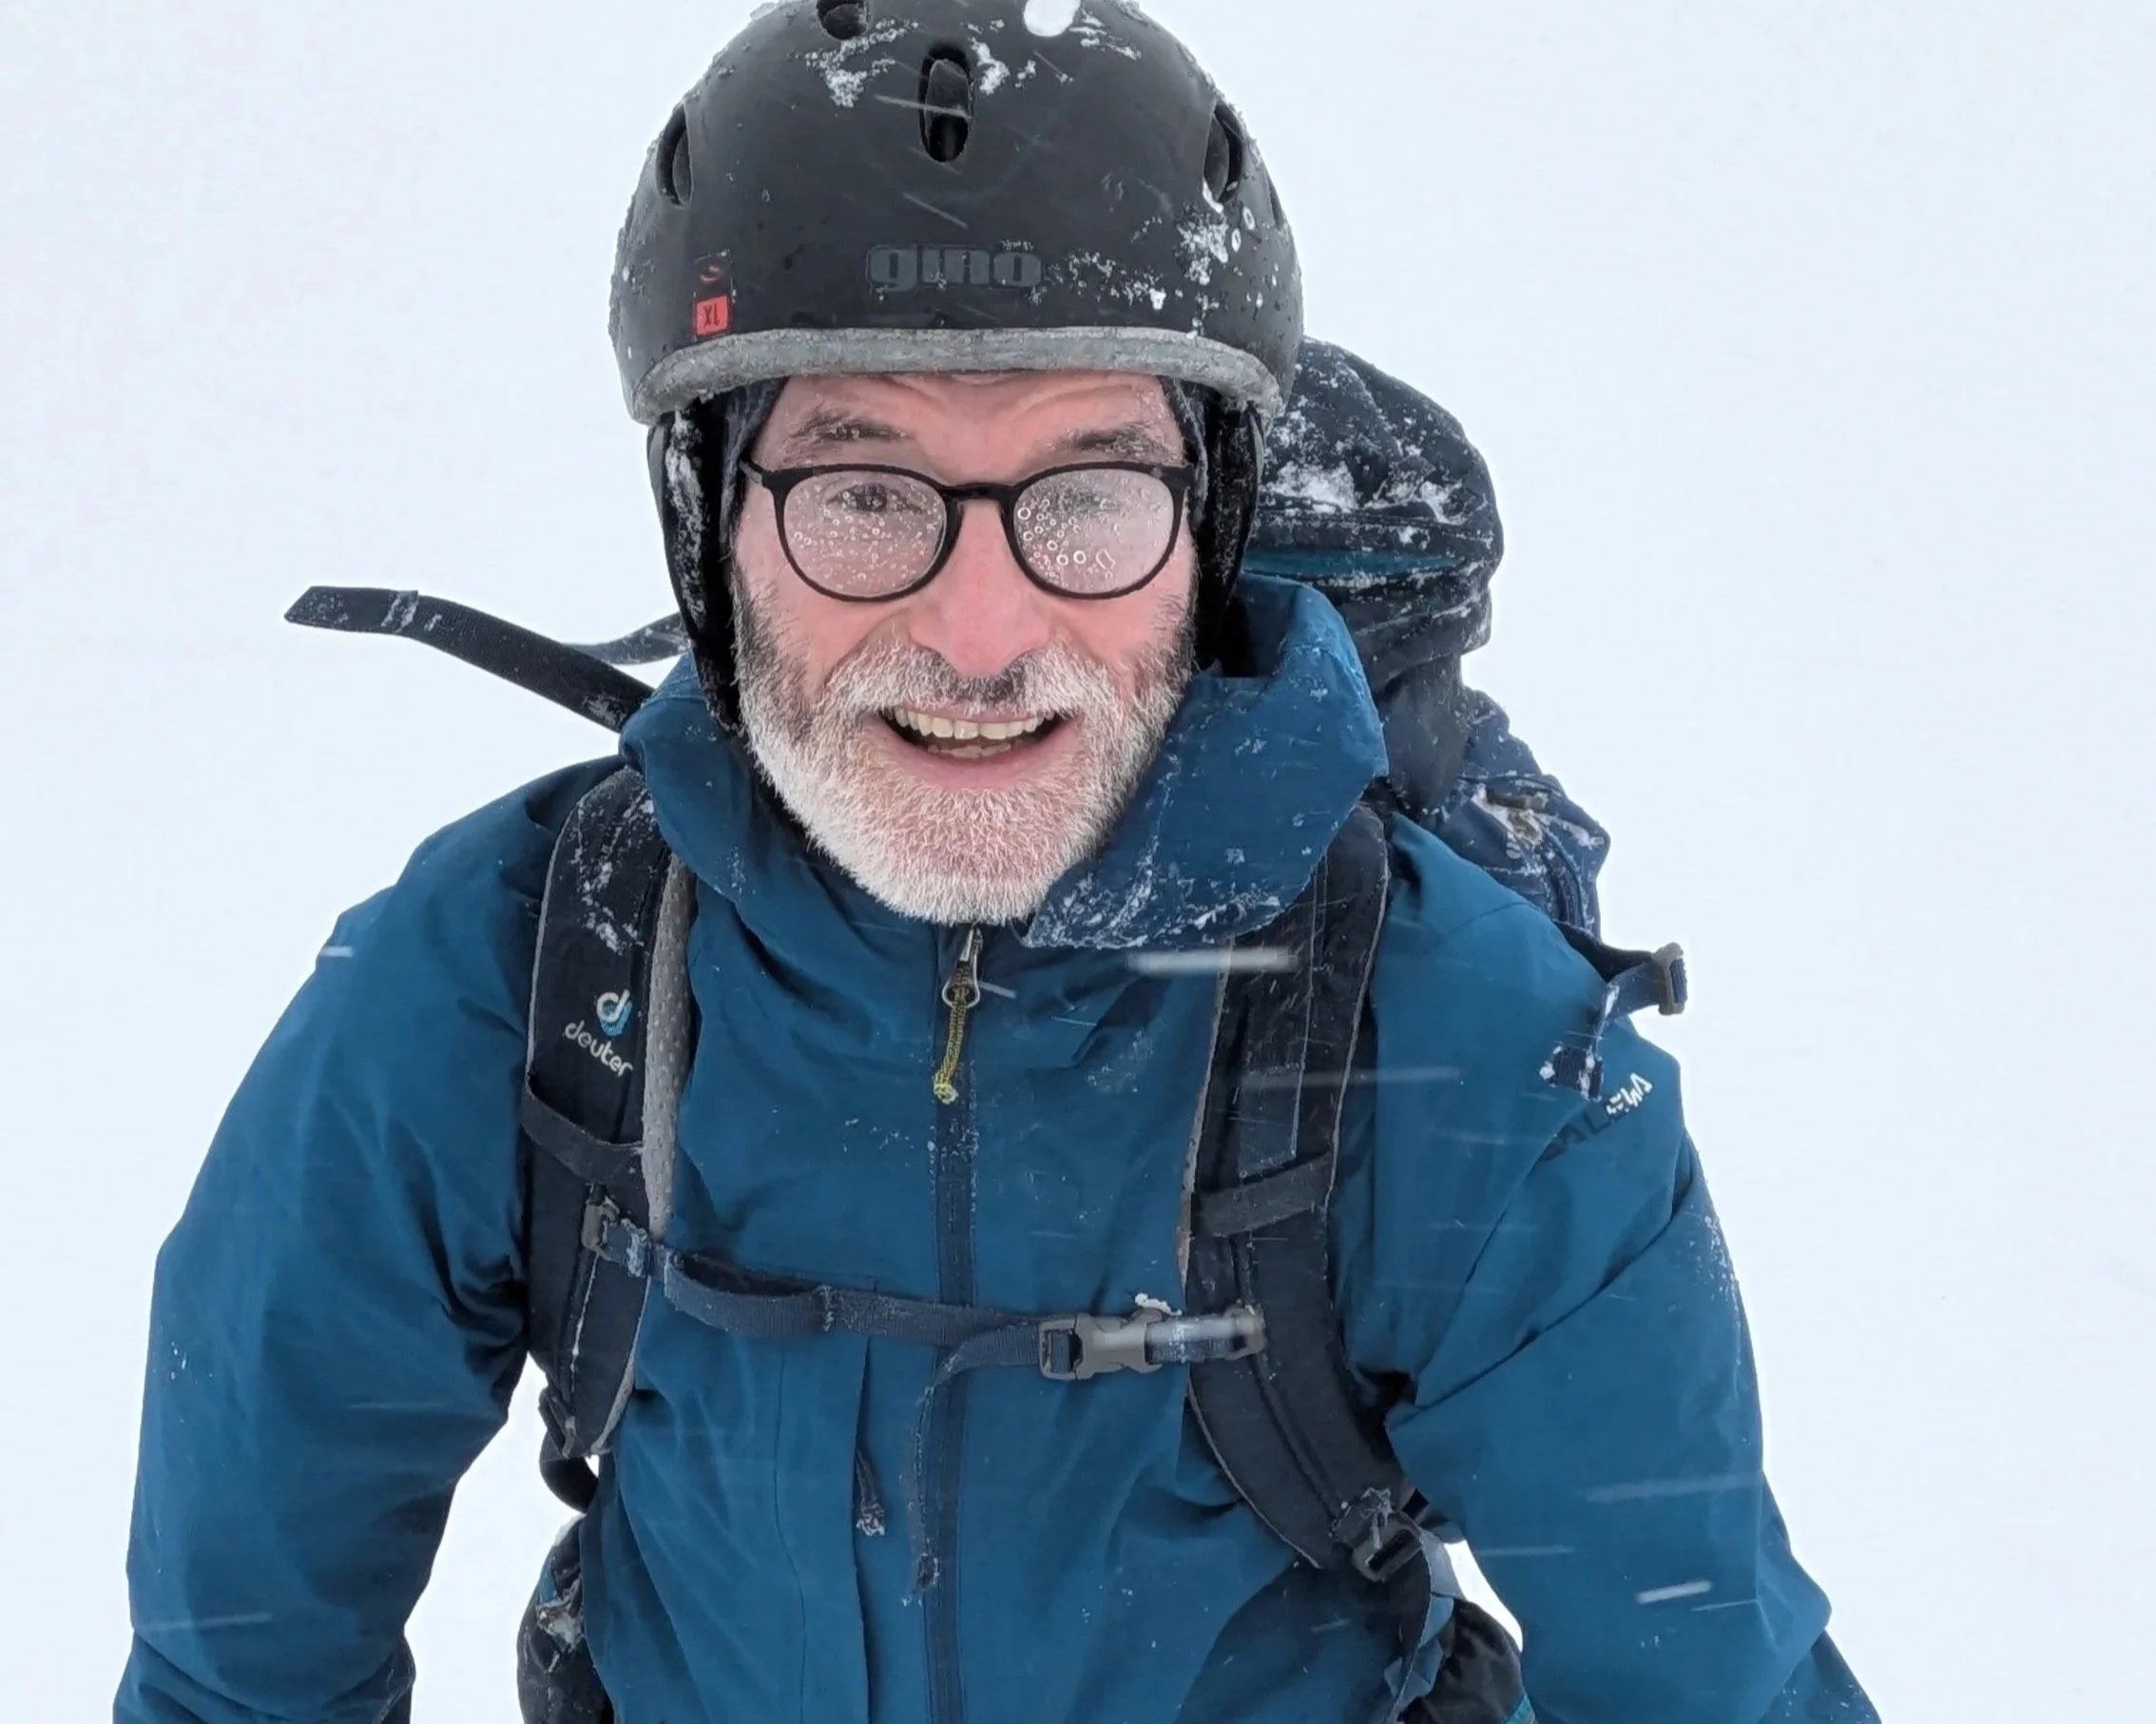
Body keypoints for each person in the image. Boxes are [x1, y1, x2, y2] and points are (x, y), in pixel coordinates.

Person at [118, 5, 1877, 1722]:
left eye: (1088, 495)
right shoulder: (509, 978)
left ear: (1213, 519)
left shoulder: (1465, 1051)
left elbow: (1716, 1682)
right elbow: (237, 1669)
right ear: (707, 519)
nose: (980, 633)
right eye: (863, 493)